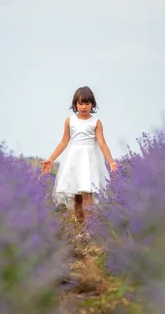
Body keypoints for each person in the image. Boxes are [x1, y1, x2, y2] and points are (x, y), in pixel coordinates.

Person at [41, 86, 118, 238]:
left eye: (87, 103)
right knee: (76, 196)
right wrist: (51, 159)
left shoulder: (96, 122)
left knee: (87, 194)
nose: (84, 107)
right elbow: (64, 142)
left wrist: (111, 162)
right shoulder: (70, 121)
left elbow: (102, 143)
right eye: (81, 103)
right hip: (74, 160)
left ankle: (89, 229)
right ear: (75, 104)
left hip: (89, 161)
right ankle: (81, 229)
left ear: (93, 105)